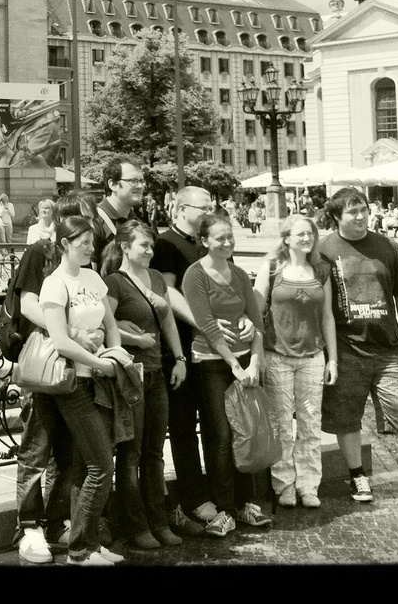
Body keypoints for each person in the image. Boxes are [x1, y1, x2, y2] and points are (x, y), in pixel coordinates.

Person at [319, 187, 398, 509]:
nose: (361, 216)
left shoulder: (388, 246)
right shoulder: (323, 251)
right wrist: (331, 356)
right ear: (336, 216)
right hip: (347, 350)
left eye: (363, 209)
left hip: (389, 350)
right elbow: (321, 309)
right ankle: (357, 475)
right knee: (346, 417)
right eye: (352, 212)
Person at [150, 185, 253, 536]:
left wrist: (244, 319)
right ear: (180, 208)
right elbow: (166, 291)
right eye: (204, 205)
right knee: (182, 426)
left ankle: (229, 499)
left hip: (216, 351)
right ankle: (195, 496)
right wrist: (205, 323)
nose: (212, 209)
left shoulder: (215, 239)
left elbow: (236, 286)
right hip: (181, 347)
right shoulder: (166, 244)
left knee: (219, 427)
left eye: (213, 204)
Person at [39, 213, 134, 566]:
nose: (90, 247)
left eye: (91, 242)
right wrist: (99, 363)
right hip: (73, 383)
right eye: (82, 242)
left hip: (100, 380)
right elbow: (60, 340)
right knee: (101, 466)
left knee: (84, 466)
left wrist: (115, 350)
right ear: (64, 244)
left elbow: (110, 324)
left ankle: (87, 543)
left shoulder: (93, 277)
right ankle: (80, 551)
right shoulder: (54, 284)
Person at [182, 211, 272, 537]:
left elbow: (257, 320)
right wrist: (235, 366)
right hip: (211, 365)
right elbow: (206, 324)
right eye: (220, 238)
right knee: (219, 436)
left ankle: (246, 502)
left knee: (243, 432)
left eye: (230, 236)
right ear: (204, 241)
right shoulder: (195, 275)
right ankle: (225, 509)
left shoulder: (238, 273)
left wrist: (255, 362)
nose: (227, 242)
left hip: (245, 365)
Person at [101, 222, 186, 551]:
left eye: (151, 246)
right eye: (143, 246)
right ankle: (136, 525)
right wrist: (137, 338)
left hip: (156, 373)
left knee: (154, 453)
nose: (150, 251)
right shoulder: (114, 282)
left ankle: (159, 520)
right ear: (124, 247)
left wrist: (179, 357)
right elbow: (104, 324)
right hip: (130, 376)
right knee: (131, 454)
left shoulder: (155, 279)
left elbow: (166, 319)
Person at [254, 215, 338, 508]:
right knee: (281, 425)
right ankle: (284, 484)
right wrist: (257, 355)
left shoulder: (321, 270)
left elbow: (328, 317)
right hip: (277, 355)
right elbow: (255, 312)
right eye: (300, 234)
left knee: (310, 424)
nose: (307, 238)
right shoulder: (272, 267)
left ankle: (308, 484)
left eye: (310, 234)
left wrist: (333, 359)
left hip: (313, 356)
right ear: (286, 238)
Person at [11, 201, 75, 565]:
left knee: (66, 450)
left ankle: (54, 521)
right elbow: (27, 304)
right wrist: (64, 331)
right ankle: (29, 525)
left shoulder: (84, 267)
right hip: (42, 363)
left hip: (72, 366)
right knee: (37, 448)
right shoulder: (40, 252)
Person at [91, 155, 146, 268]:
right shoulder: (94, 221)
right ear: (113, 184)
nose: (140, 186)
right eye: (133, 181)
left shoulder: (139, 224)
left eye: (141, 181)